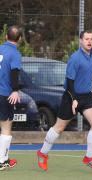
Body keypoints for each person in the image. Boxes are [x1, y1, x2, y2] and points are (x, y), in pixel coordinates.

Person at [37, 30, 92, 171]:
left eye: (91, 39)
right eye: (86, 39)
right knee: (59, 128)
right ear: (80, 40)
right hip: (71, 96)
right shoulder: (75, 58)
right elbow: (70, 81)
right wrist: (73, 100)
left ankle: (89, 157)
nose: (89, 41)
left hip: (87, 97)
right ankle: (42, 153)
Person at [0, 25, 22, 170]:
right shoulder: (15, 54)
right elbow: (14, 74)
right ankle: (2, 161)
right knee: (6, 126)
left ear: (6, 36)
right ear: (19, 39)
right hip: (4, 93)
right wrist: (15, 90)